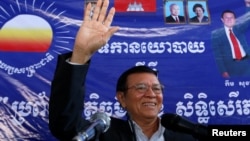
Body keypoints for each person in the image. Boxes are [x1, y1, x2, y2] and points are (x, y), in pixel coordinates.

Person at [48, 0, 202, 141]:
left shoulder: (186, 136)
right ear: (122, 98)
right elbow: (65, 125)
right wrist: (80, 55)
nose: (151, 94)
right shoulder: (104, 133)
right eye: (141, 88)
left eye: (157, 88)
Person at [211, 0, 250, 78]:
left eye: (231, 18)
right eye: (226, 18)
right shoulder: (216, 35)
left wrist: (248, 5)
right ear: (222, 20)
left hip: (245, 64)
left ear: (235, 19)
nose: (229, 19)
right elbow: (217, 55)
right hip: (231, 67)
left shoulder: (238, 29)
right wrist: (223, 71)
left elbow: (247, 20)